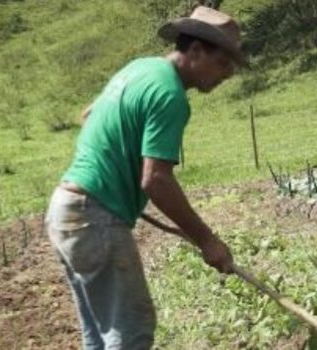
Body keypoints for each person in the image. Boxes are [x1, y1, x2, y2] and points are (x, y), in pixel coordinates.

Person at [44, 6, 246, 349]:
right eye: (223, 63)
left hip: (66, 211)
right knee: (132, 332)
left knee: (100, 336)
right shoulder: (170, 96)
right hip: (94, 219)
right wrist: (207, 240)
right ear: (195, 50)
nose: (227, 74)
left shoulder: (141, 69)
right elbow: (156, 181)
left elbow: (90, 113)